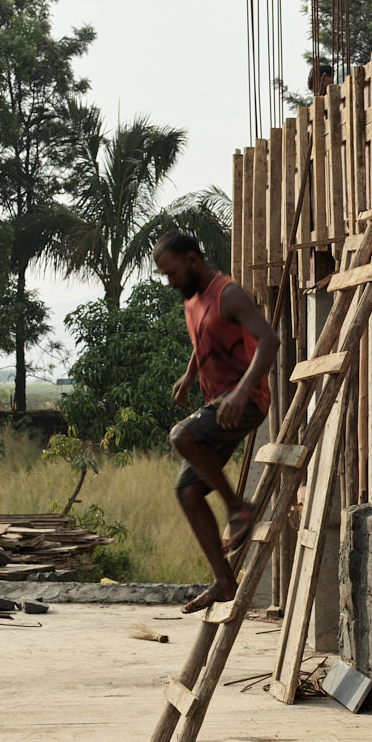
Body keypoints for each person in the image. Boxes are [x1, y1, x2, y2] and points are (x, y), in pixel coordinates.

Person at [155, 230, 280, 616]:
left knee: (181, 435)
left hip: (246, 402)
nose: (169, 282)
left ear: (192, 260)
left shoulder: (229, 294)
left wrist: (242, 392)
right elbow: (206, 341)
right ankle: (224, 582)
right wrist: (190, 374)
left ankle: (237, 508)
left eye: (172, 273)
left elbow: (269, 341)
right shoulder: (192, 301)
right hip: (218, 406)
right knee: (188, 493)